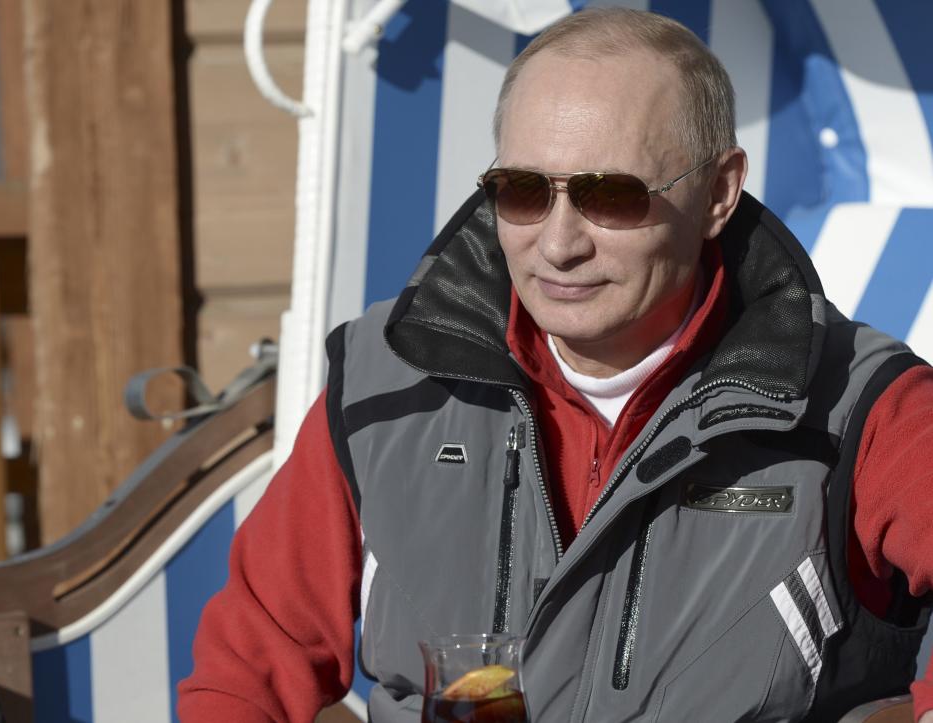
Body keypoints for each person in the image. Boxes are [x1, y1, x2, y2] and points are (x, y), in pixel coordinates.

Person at [179, 8, 933, 722]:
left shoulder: (856, 404)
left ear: (717, 192)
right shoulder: (386, 380)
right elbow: (248, 663)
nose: (558, 242)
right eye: (522, 190)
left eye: (611, 195)